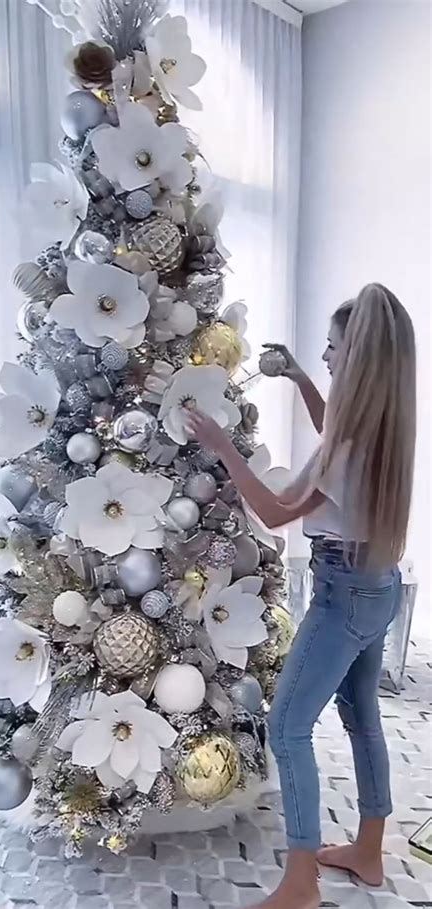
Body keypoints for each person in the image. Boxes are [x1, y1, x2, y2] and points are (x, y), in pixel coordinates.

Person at [185, 283, 416, 909]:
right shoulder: (383, 426)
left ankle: (301, 880)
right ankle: (368, 849)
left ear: (359, 358)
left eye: (334, 349)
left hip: (342, 594)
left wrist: (222, 446)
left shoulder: (347, 447)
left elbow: (274, 510)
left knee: (287, 727)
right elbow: (331, 428)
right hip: (378, 586)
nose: (327, 356)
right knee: (363, 717)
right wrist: (299, 380)